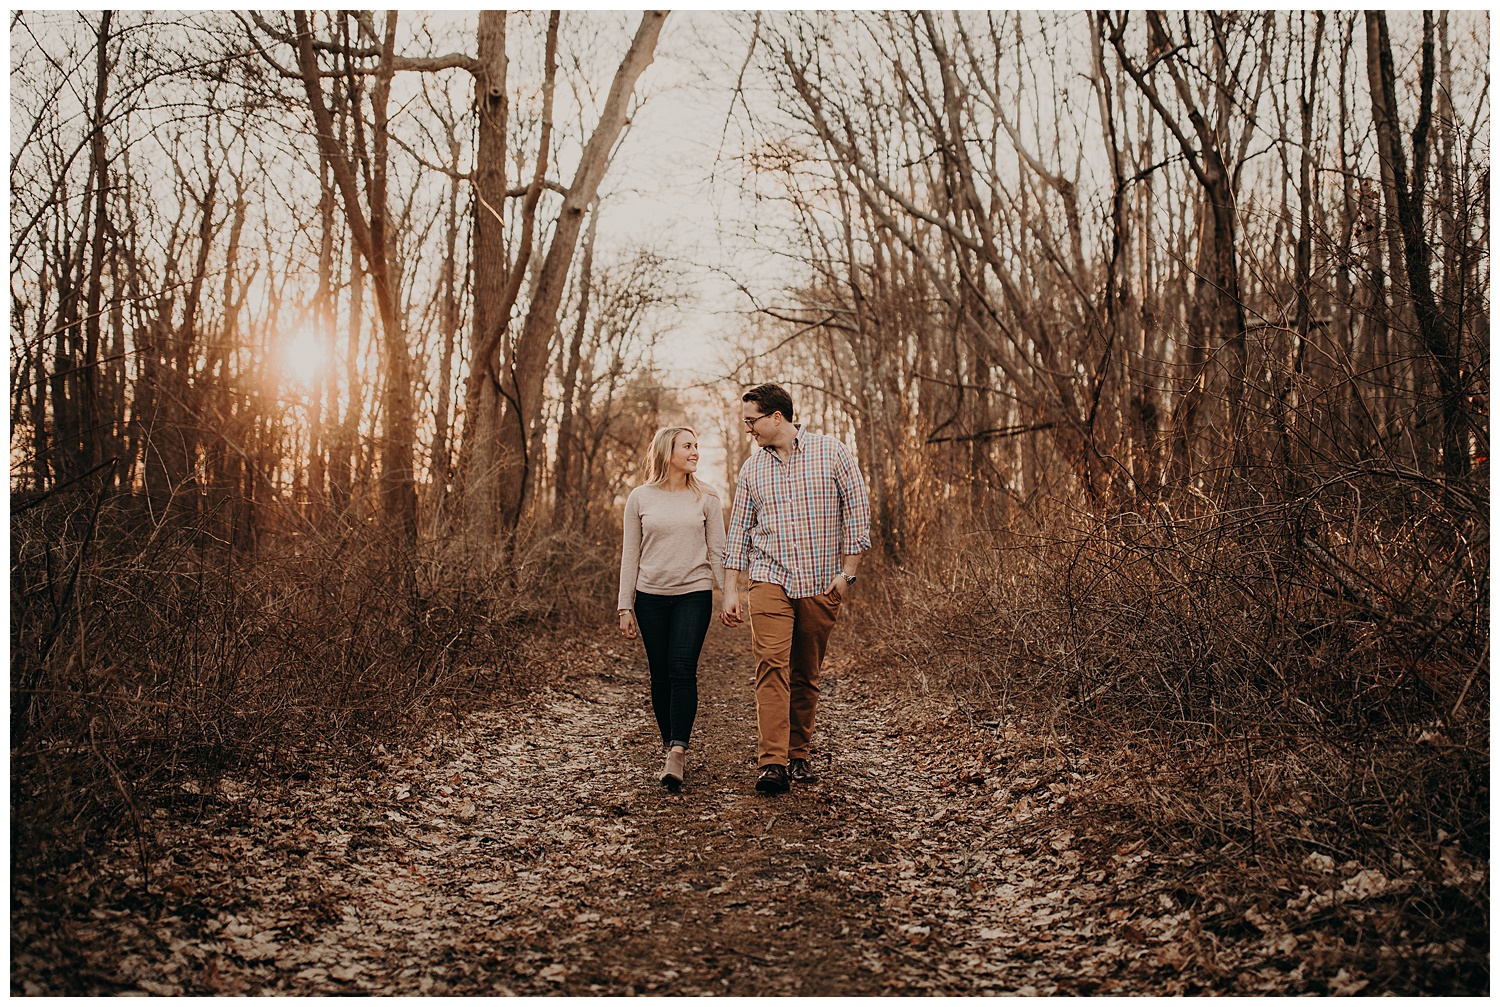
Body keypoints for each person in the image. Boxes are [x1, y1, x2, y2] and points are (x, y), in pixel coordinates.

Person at [720, 383, 871, 794]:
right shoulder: (753, 469)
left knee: (806, 672)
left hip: (821, 583)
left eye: (752, 420)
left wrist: (847, 574)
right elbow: (739, 532)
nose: (748, 428)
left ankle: (798, 753)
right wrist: (731, 590)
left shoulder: (832, 451)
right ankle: (772, 763)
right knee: (771, 665)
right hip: (769, 579)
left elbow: (858, 511)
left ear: (776, 417)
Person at [618, 426, 726, 792]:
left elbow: (717, 551)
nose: (695, 452)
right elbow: (630, 554)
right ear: (668, 452)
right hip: (650, 597)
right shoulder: (640, 497)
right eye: (688, 446)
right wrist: (624, 606)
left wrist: (727, 592)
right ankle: (669, 745)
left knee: (682, 669)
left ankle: (678, 750)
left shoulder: (707, 498)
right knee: (660, 676)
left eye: (697, 446)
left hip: (693, 594)